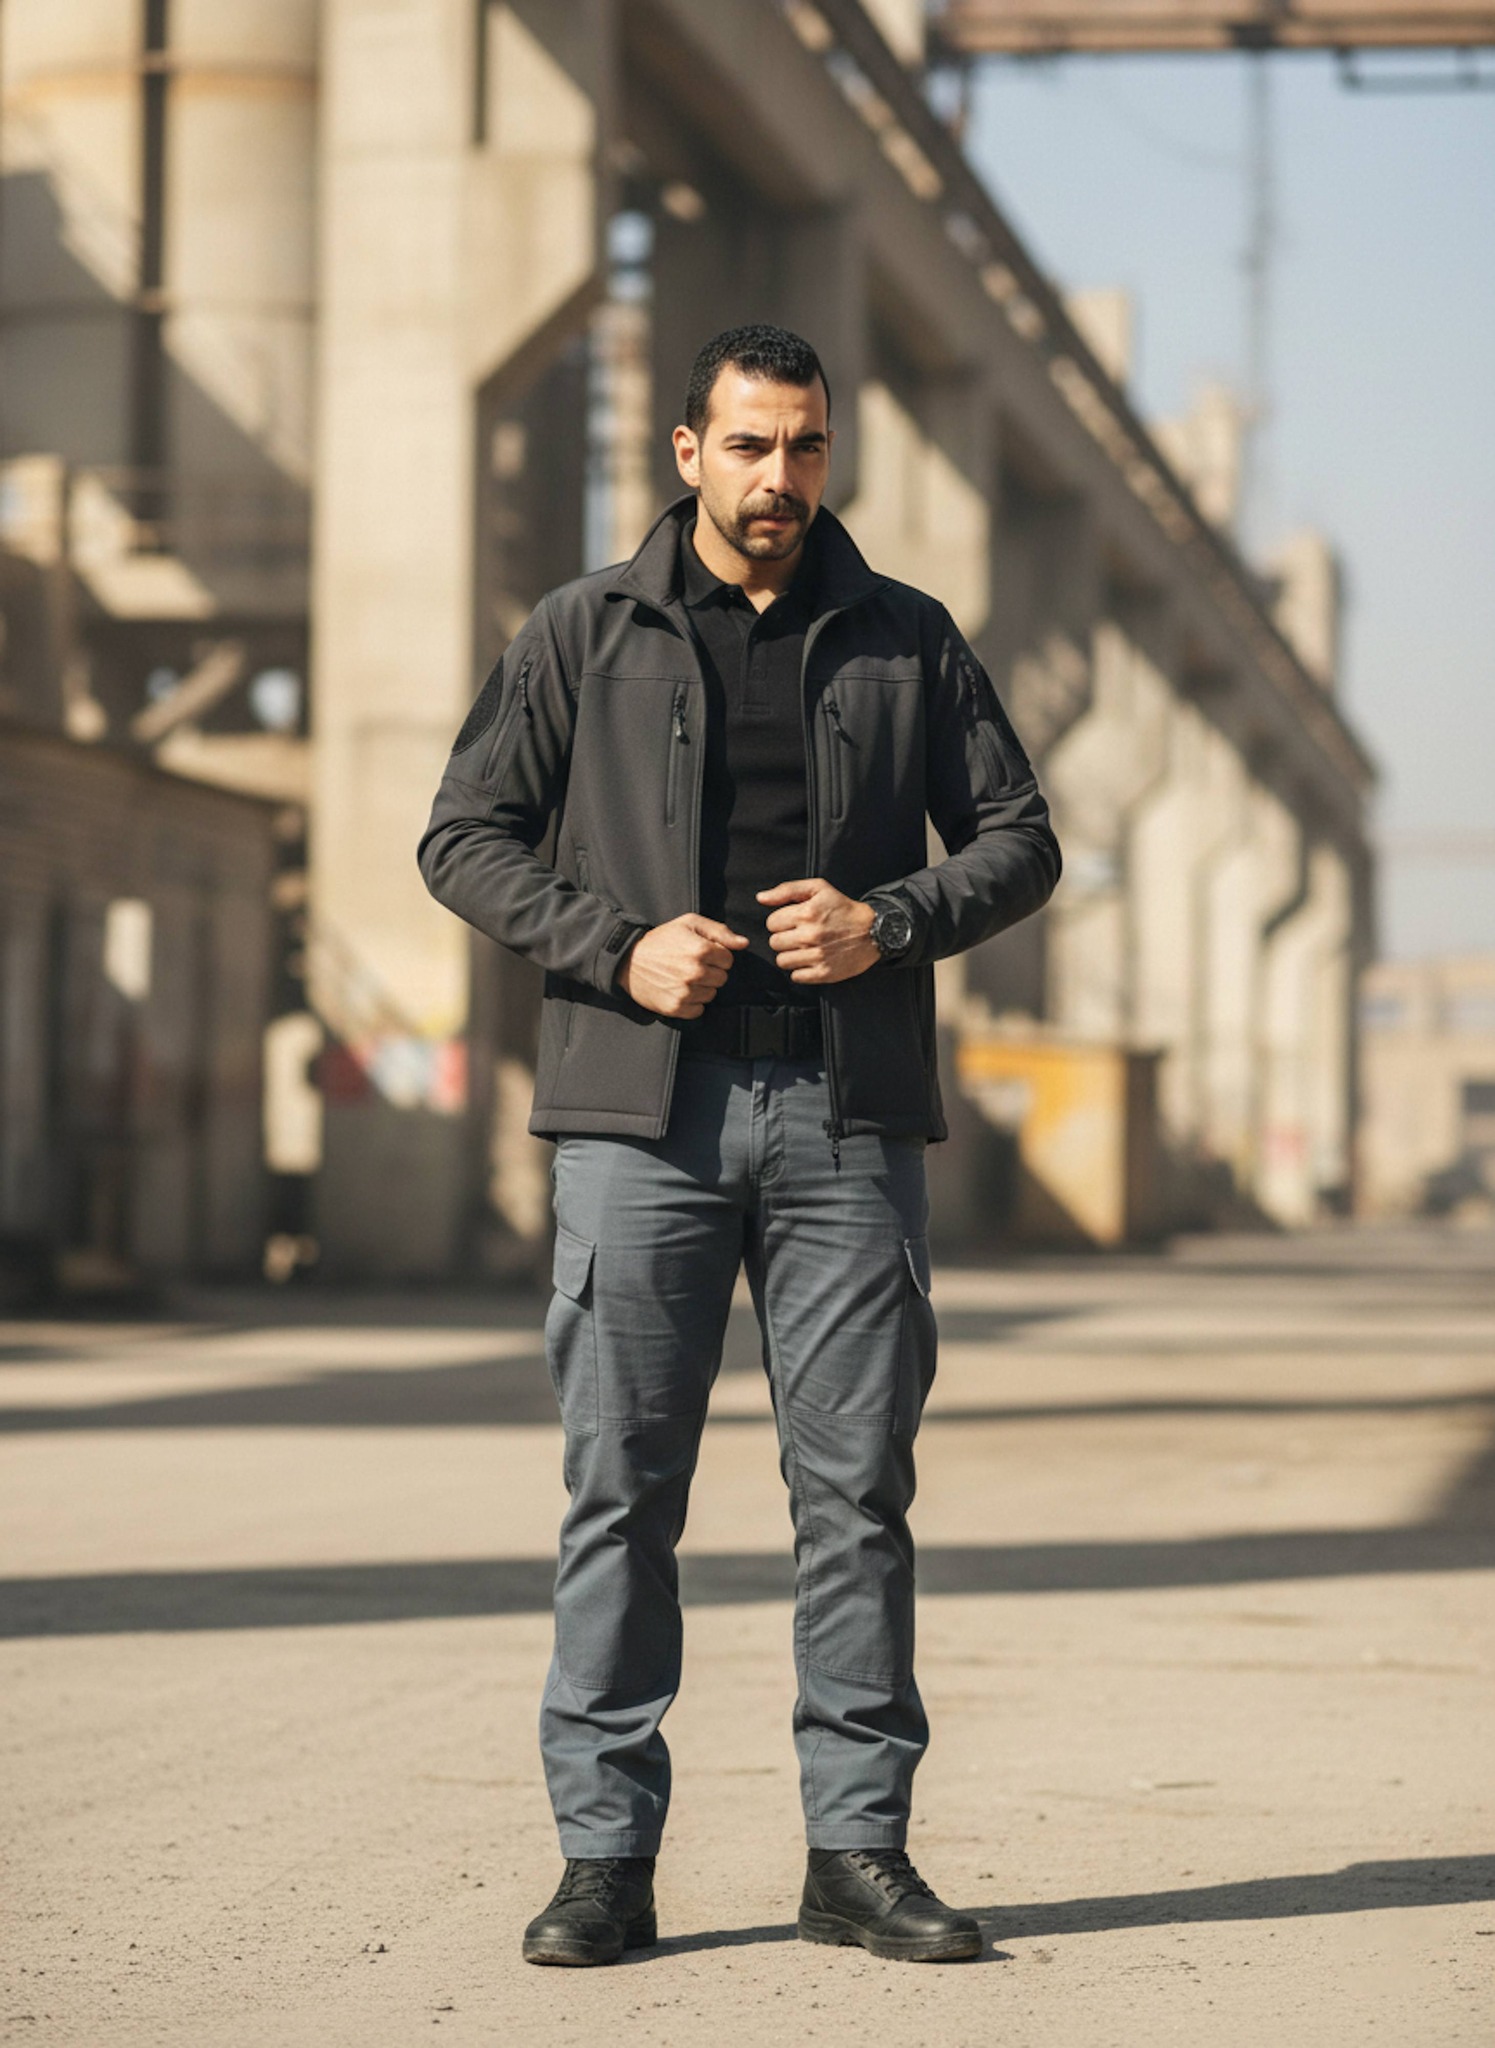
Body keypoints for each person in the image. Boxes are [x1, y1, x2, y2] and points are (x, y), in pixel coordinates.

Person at [418, 323, 1060, 1967]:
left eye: (808, 450)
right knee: (621, 1491)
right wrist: (612, 945)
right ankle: (605, 1864)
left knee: (855, 1495)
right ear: (688, 451)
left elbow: (1021, 840)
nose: (782, 481)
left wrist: (891, 921)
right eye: (753, 447)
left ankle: (856, 1853)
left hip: (847, 1124)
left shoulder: (905, 639)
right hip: (643, 1124)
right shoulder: (582, 631)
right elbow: (462, 837)